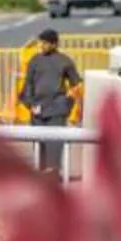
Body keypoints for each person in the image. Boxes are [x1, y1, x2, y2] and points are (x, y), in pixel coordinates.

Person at [16, 28, 83, 177]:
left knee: (55, 142)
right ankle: (41, 172)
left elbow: (75, 85)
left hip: (57, 108)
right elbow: (28, 84)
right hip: (37, 109)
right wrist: (30, 103)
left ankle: (53, 172)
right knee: (39, 142)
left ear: (54, 44)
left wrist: (68, 102)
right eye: (41, 42)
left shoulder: (65, 61)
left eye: (45, 43)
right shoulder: (35, 61)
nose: (42, 46)